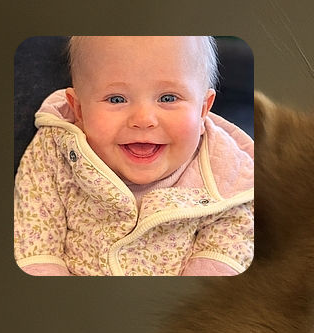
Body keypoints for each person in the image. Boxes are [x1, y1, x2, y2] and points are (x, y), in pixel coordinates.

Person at [14, 35, 254, 276]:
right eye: (116, 99)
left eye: (168, 98)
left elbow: (228, 248)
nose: (143, 120)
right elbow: (33, 245)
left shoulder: (225, 174)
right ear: (79, 110)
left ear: (203, 110)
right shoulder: (55, 151)